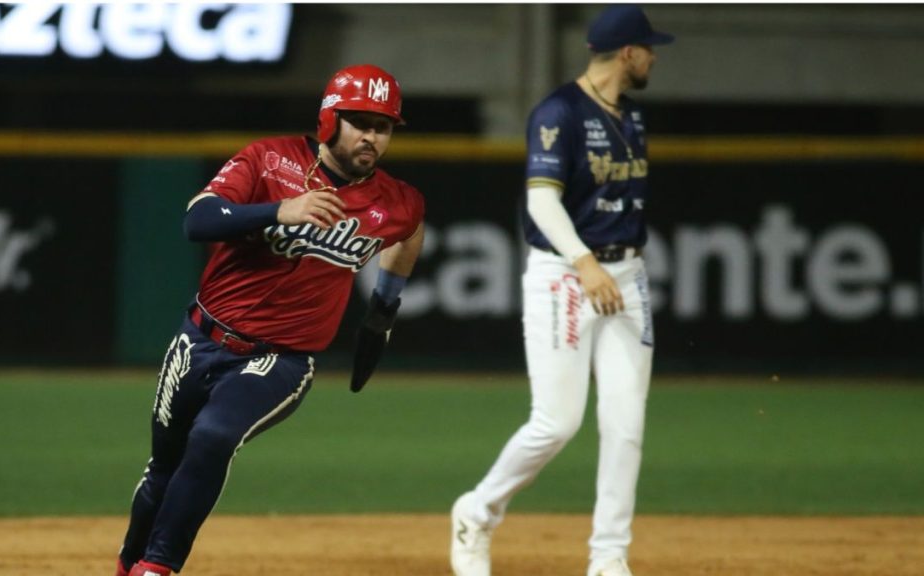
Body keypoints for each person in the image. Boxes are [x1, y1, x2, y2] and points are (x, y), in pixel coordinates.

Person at [114, 63, 425, 576]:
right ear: (330, 120)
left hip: (280, 360)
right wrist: (279, 210)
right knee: (163, 471)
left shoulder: (398, 201)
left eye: (383, 126)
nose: (372, 135)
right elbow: (198, 219)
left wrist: (382, 315)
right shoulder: (268, 158)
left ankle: (158, 568)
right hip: (200, 339)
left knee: (213, 437)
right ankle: (130, 564)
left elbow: (409, 233)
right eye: (360, 121)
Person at [450, 5, 673, 576]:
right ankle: (477, 511)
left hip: (627, 277)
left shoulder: (632, 118)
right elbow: (541, 200)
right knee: (557, 420)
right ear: (628, 53)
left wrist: (613, 268)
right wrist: (585, 263)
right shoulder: (560, 112)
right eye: (648, 48)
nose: (653, 57)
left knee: (626, 425)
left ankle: (608, 558)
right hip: (568, 275)